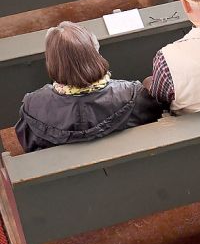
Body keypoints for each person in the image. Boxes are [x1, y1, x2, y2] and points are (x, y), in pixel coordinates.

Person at [15, 22, 163, 153]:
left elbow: (30, 148)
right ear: (94, 53)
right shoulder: (133, 94)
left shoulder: (33, 106)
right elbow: (156, 122)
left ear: (52, 62)